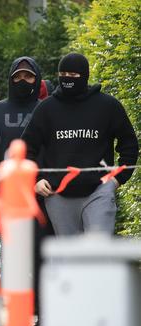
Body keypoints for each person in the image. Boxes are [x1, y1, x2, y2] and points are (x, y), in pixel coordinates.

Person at [22, 52, 139, 235]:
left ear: (84, 76)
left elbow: (129, 143)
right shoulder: (46, 109)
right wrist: (36, 180)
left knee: (97, 252)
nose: (68, 79)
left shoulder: (107, 106)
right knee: (68, 257)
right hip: (57, 194)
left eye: (73, 76)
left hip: (99, 191)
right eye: (63, 75)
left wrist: (117, 179)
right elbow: (26, 148)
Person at [0, 57, 42, 163]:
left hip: (40, 178)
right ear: (11, 80)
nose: (22, 81)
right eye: (17, 77)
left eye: (28, 76)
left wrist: (45, 176)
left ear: (37, 79)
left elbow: (55, 148)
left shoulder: (45, 109)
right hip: (2, 177)